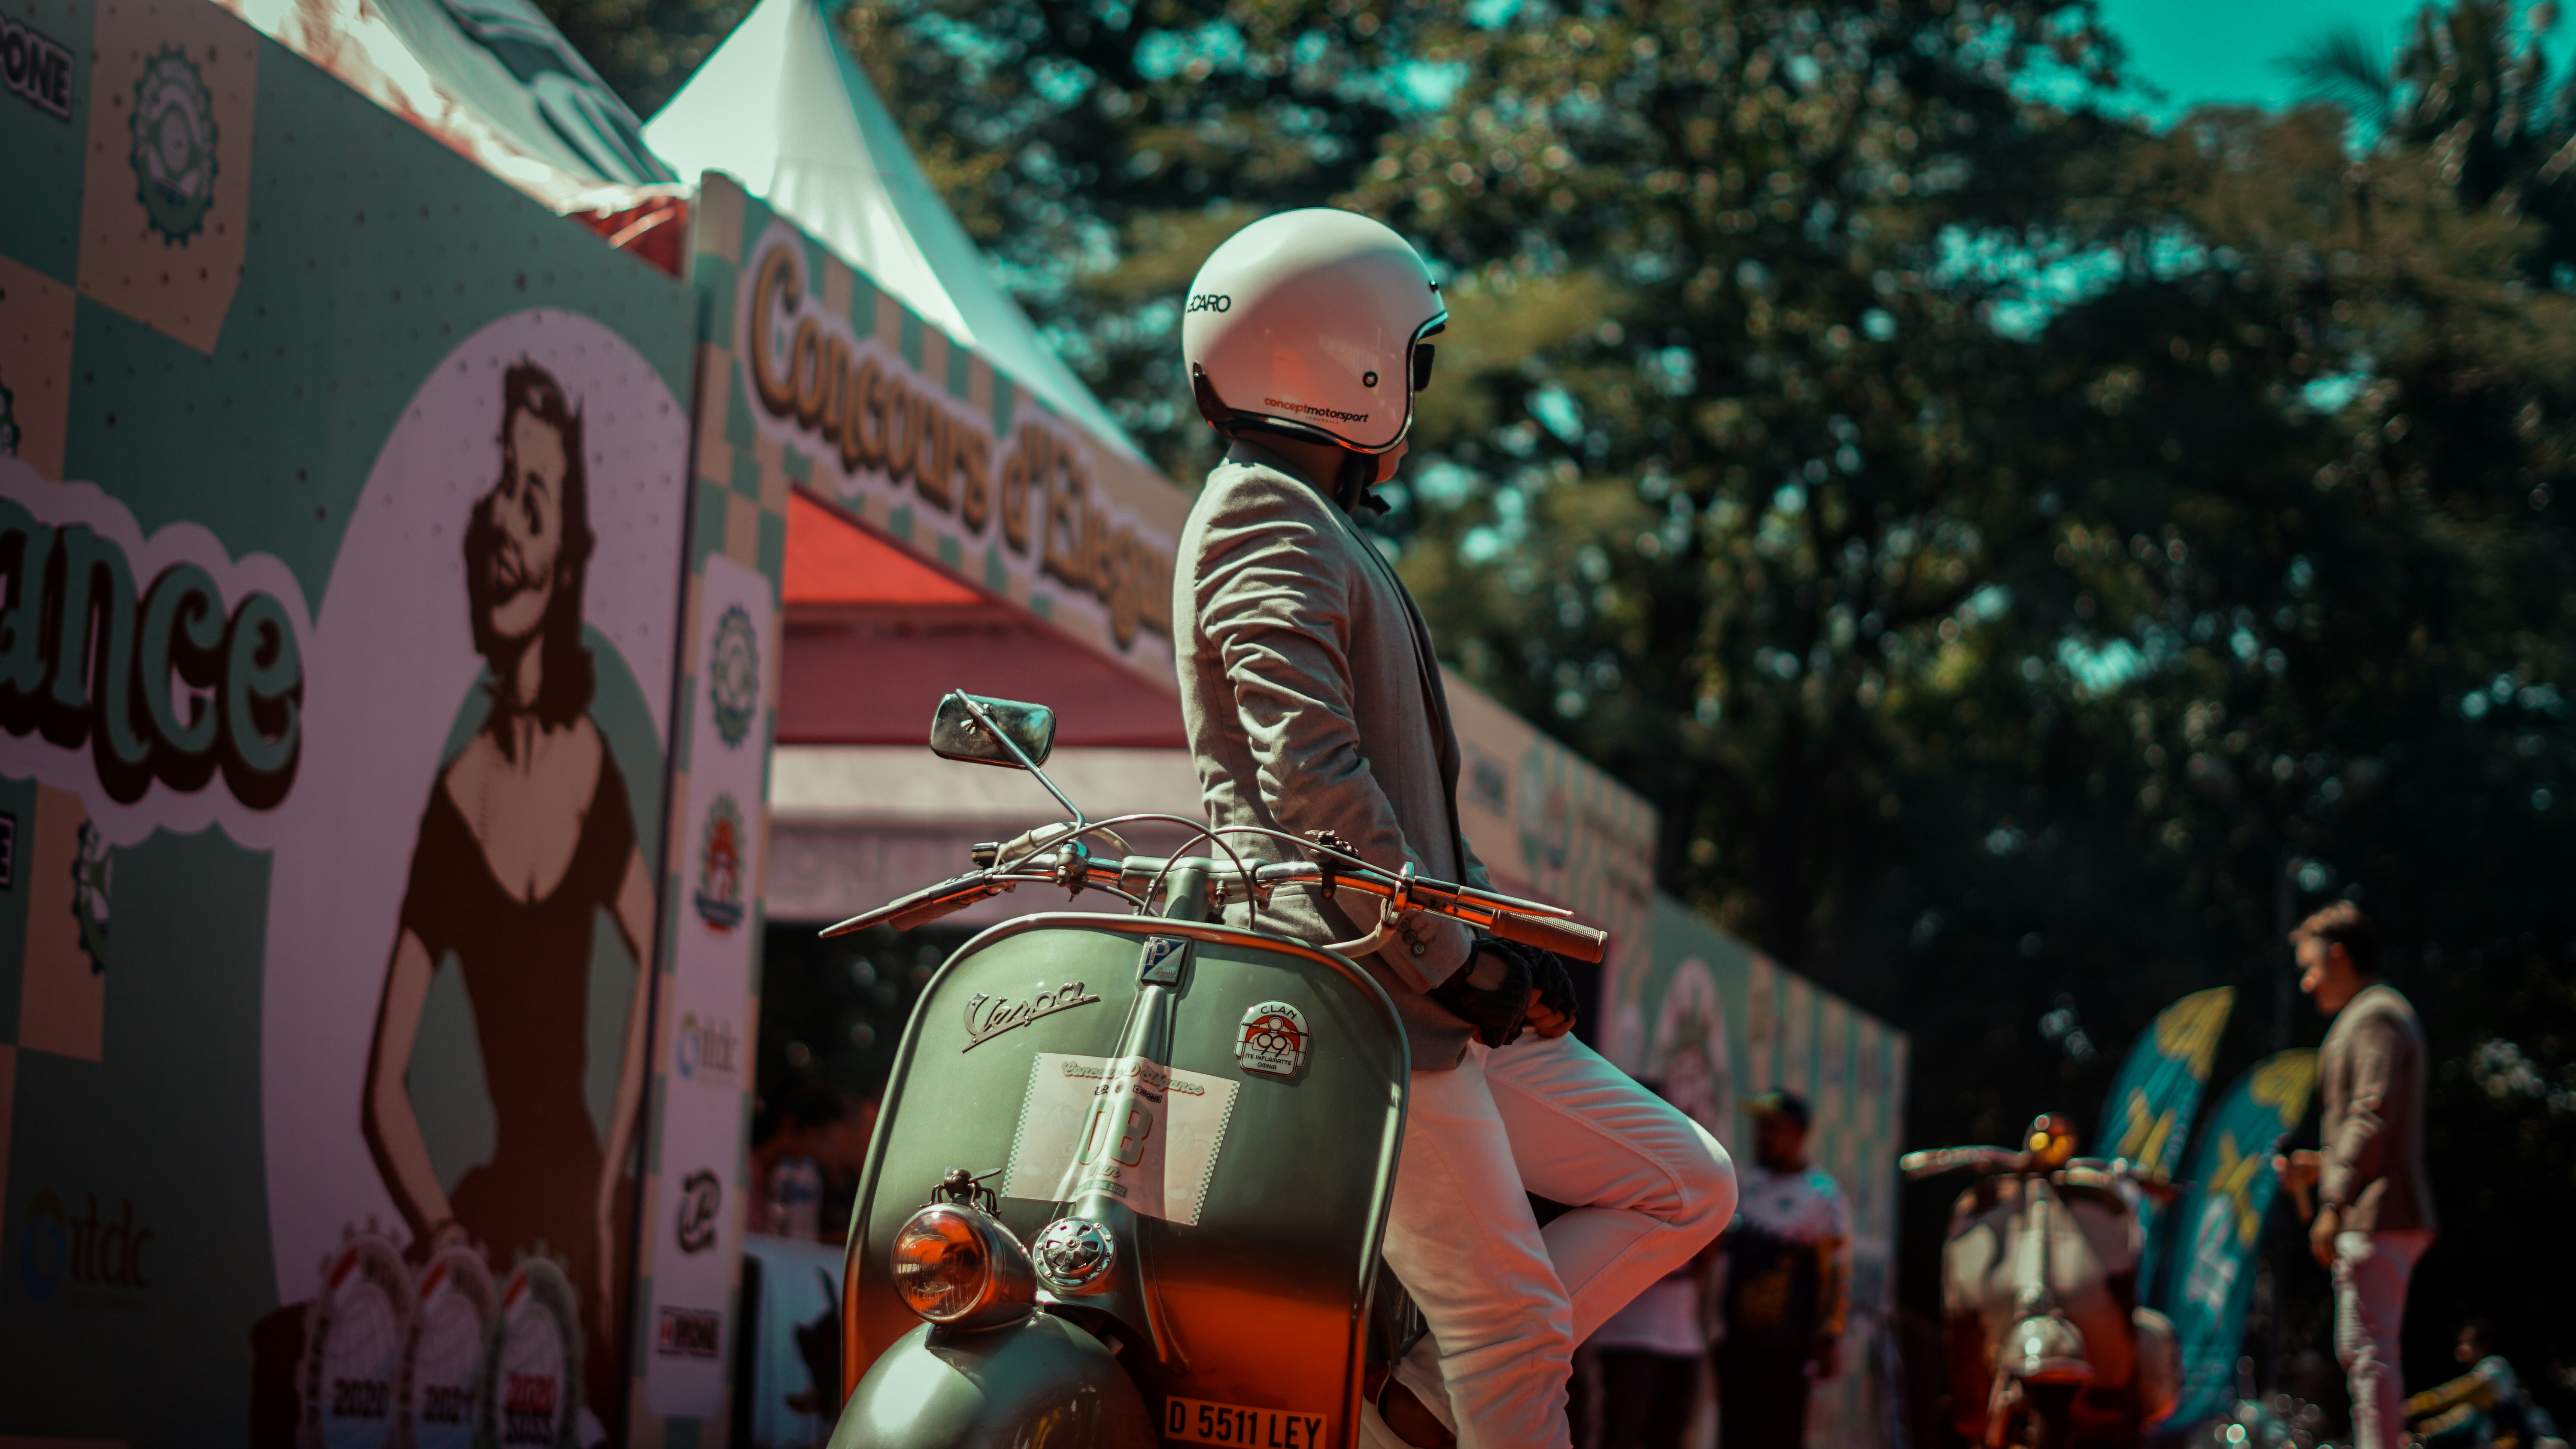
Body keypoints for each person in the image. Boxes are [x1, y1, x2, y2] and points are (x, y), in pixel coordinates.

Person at [1175, 209, 1736, 1449]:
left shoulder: (1301, 514)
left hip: (1419, 979)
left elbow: (1393, 798)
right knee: (1515, 1326)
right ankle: (1443, 1389)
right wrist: (1452, 958)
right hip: (1362, 993)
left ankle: (1416, 1404)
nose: (1417, 387)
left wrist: (1503, 952)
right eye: (1411, 356)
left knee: (1689, 1181)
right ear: (1352, 364)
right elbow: (1312, 780)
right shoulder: (1265, 514)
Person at [362, 362, 657, 1431]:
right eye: (500, 488)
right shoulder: (456, 796)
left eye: (535, 499)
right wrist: (443, 1239)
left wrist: (612, 1184)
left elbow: (664, 968)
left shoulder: (593, 769)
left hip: (581, 1221)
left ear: (569, 555)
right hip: (490, 1233)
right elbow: (380, 1085)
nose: (504, 522)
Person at [2272, 902, 2437, 1449]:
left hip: (2377, 1212)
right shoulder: (2377, 1014)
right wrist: (2318, 1167)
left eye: (2310, 965)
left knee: (2368, 1353)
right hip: (2379, 1207)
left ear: (2338, 955)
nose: (2306, 981)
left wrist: (2333, 1201)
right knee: (2367, 1351)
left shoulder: (2375, 1016)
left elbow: (2373, 1114)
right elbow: (2375, 1126)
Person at [1712, 1090, 1850, 1449]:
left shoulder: (1822, 1194)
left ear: (1800, 1133)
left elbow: (1835, 1275)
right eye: (1759, 1127)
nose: (1761, 1136)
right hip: (1738, 1346)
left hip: (1788, 1350)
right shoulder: (1744, 1184)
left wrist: (1829, 1338)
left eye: (1772, 1128)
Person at [2409, 1319, 2569, 1449]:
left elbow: (2463, 1391)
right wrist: (2428, 1430)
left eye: (2467, 1343)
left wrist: (2415, 1406)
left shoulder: (2496, 1369)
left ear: (2484, 1346)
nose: (2460, 1350)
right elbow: (2462, 1416)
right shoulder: (2482, 1392)